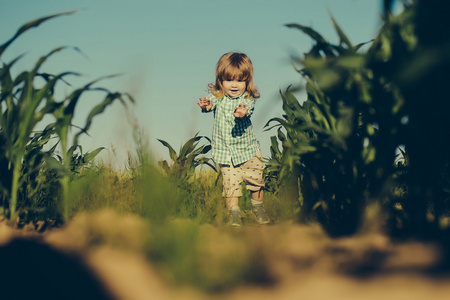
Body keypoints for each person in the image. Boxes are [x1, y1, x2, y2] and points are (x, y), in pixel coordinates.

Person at [197, 52, 270, 226]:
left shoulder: (247, 98)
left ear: (247, 81)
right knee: (231, 187)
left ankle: (258, 207)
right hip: (226, 153)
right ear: (220, 81)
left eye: (240, 80)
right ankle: (234, 214)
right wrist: (206, 107)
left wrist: (243, 113)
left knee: (256, 182)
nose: (234, 85)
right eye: (229, 79)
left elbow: (248, 109)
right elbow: (210, 104)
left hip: (249, 151)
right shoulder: (217, 97)